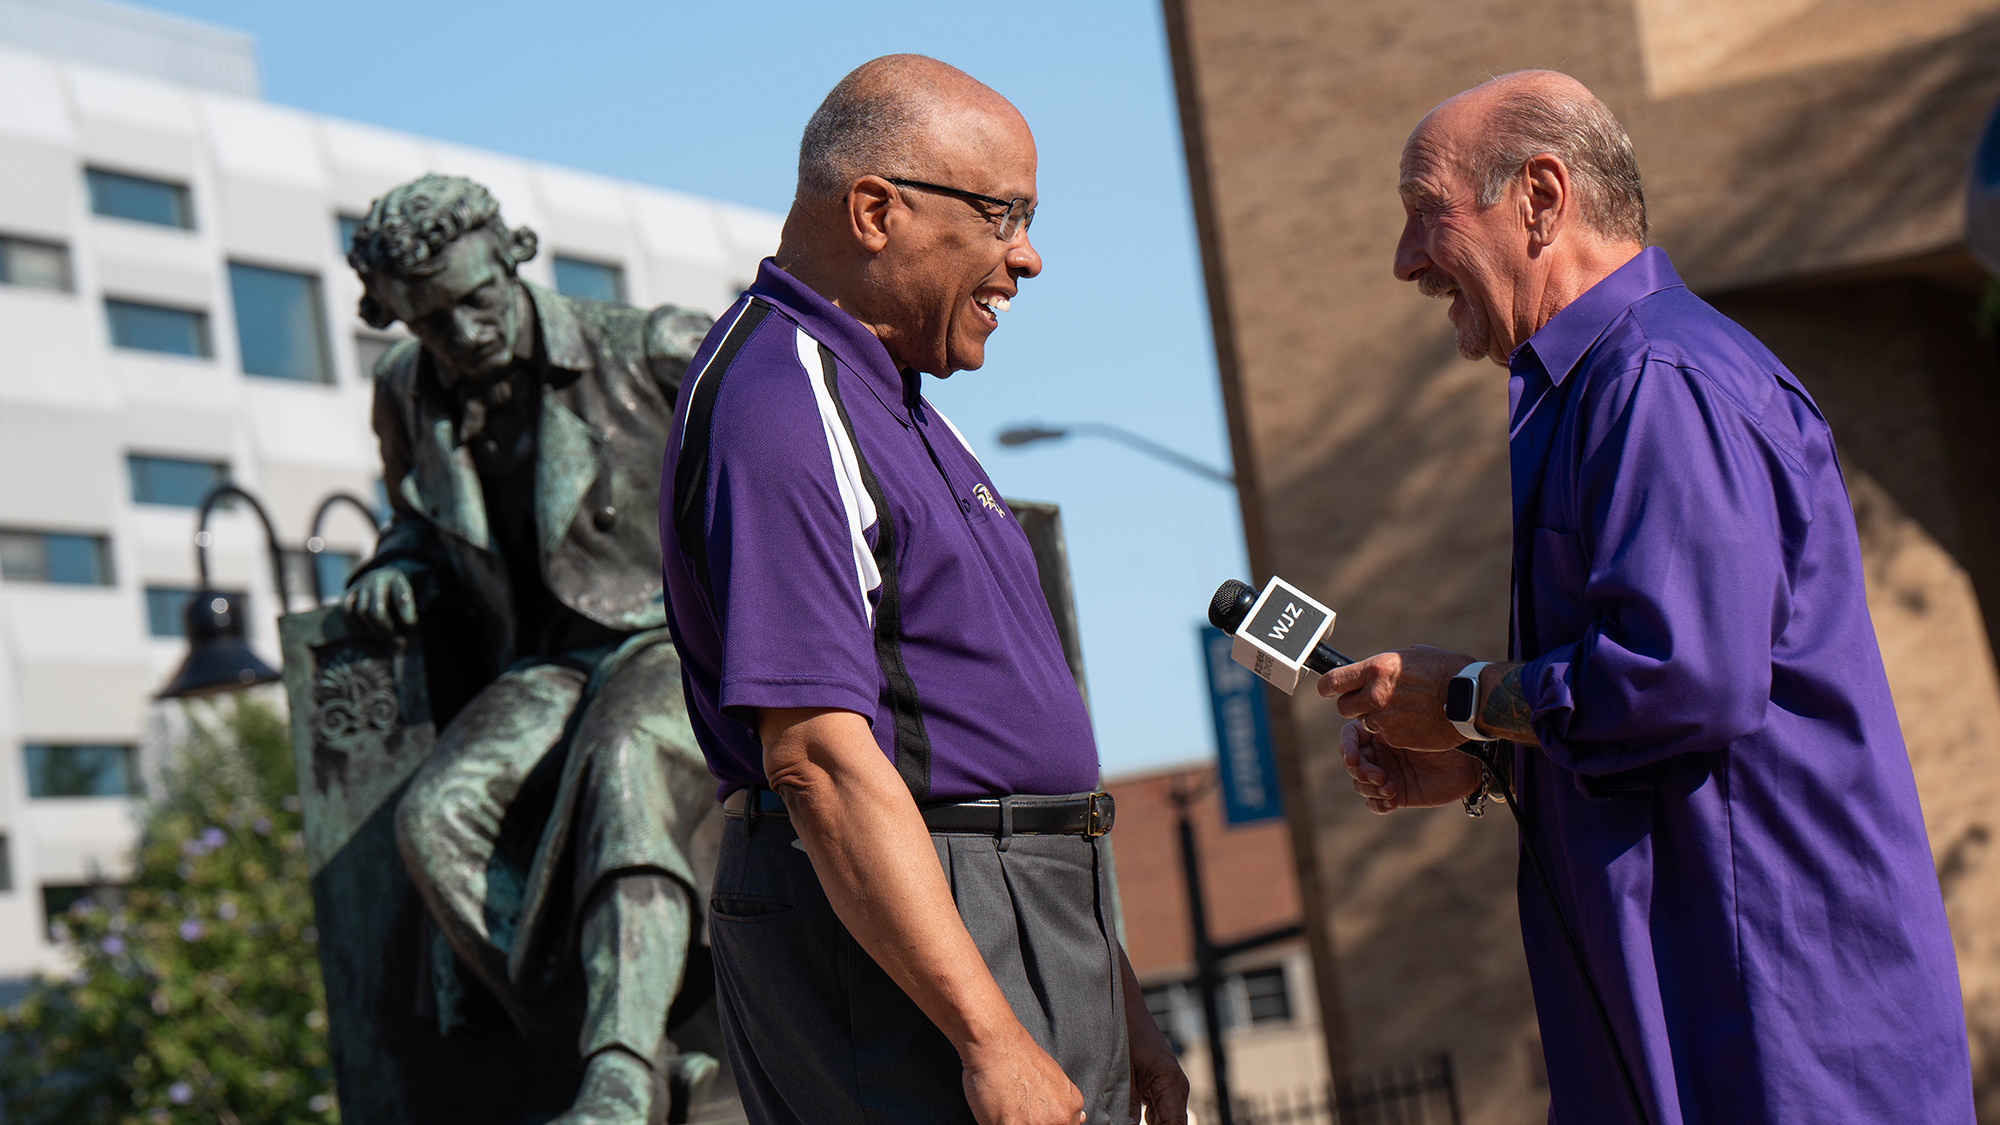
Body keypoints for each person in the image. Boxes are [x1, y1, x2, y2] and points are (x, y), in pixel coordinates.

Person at [1322, 71, 1975, 1122]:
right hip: (1714, 1004)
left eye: (1423, 213)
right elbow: (1674, 713)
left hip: (1769, 1019)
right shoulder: (1614, 384)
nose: (1403, 260)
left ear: (1538, 197)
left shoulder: (1656, 379)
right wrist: (1489, 761)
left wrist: (1463, 699)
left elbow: (1684, 684)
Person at [659, 55, 1188, 1125]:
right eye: (1002, 215)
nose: (1026, 258)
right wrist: (990, 1038)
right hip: (916, 938)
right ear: (873, 210)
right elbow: (815, 758)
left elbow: (998, 734)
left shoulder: (890, 400)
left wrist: (1114, 1000)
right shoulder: (781, 399)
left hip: (1008, 910)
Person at [342, 174, 723, 1125]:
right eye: (428, 320)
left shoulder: (652, 347)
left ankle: (619, 1074)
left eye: (477, 299)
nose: (462, 333)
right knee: (434, 816)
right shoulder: (406, 392)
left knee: (628, 754)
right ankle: (632, 1059)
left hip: (670, 636)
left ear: (514, 254)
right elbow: (415, 519)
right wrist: (395, 565)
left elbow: (794, 468)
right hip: (545, 665)